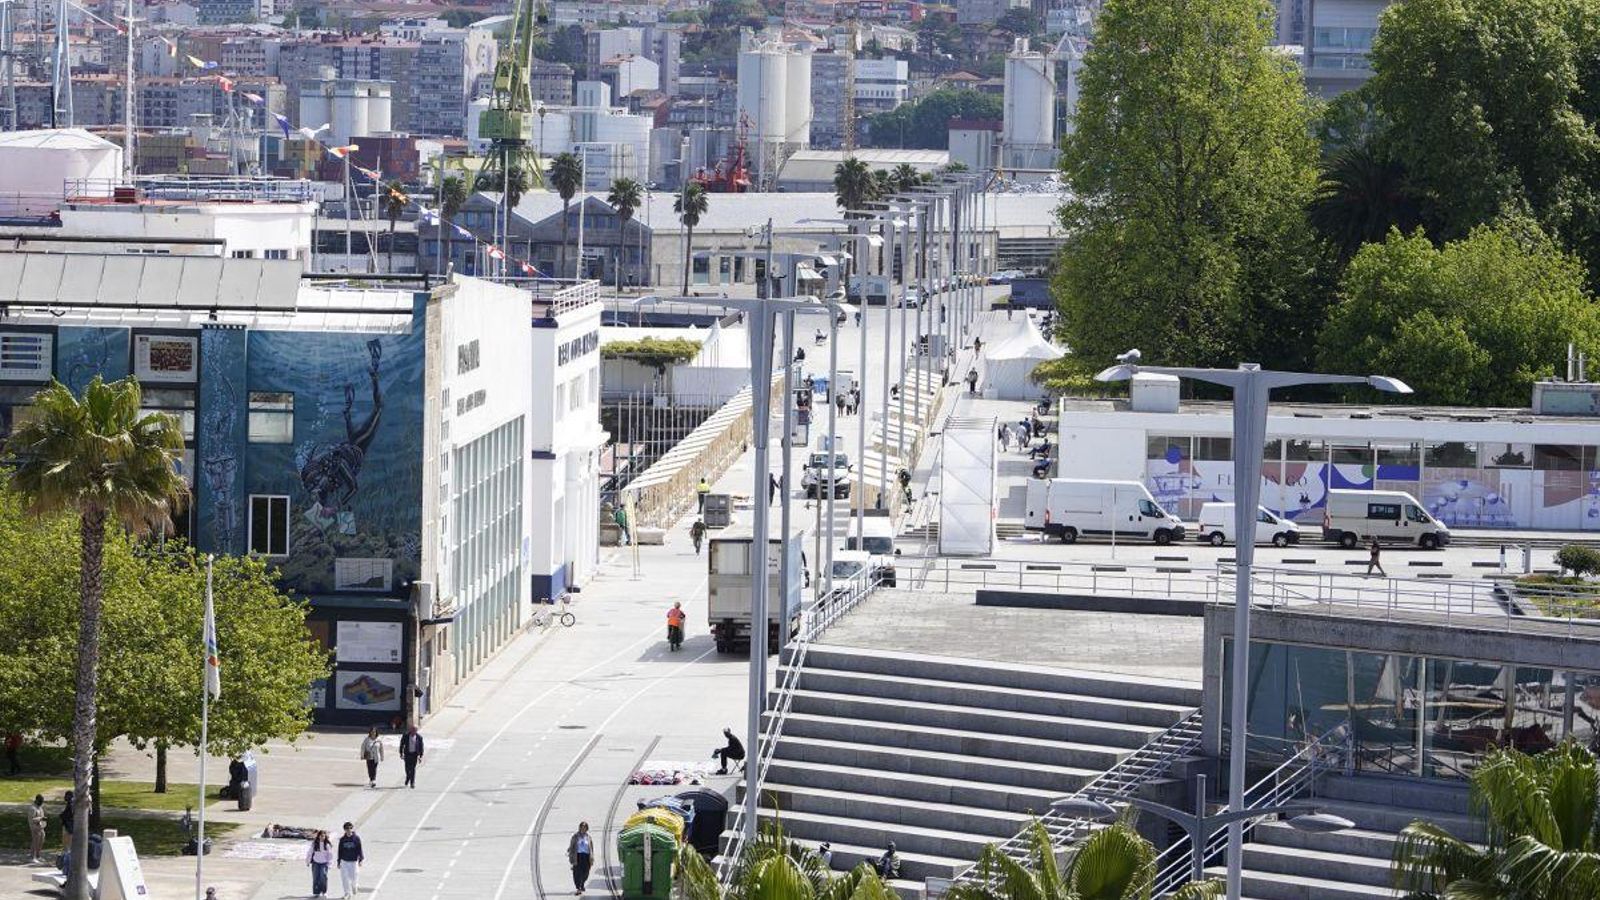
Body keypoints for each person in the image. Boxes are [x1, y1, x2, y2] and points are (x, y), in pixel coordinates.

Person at [336, 822, 363, 899]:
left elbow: (359, 849)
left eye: (350, 828)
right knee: (344, 878)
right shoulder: (342, 839)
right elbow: (340, 850)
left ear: (352, 828)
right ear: (344, 830)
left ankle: (355, 886)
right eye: (347, 828)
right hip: (344, 861)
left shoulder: (356, 838)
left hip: (353, 861)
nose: (349, 830)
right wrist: (338, 861)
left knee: (354, 877)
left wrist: (360, 859)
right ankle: (347, 893)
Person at [567, 822, 594, 895]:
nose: (583, 829)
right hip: (577, 856)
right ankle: (578, 887)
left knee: (586, 872)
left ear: (587, 829)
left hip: (586, 857)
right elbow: (571, 846)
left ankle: (582, 883)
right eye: (582, 827)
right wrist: (570, 855)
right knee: (577, 873)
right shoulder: (575, 836)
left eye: (584, 828)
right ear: (579, 828)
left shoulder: (588, 837)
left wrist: (592, 858)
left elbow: (591, 848)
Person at [306, 830, 333, 898]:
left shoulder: (327, 845)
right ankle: (316, 892)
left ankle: (324, 891)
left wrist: (329, 864)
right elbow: (310, 852)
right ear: (318, 836)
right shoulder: (315, 844)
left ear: (325, 837)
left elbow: (330, 855)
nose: (322, 837)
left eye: (323, 836)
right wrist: (308, 861)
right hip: (316, 863)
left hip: (324, 863)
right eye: (320, 836)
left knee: (323, 877)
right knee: (316, 877)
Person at [27, 794, 46, 864]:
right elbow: (32, 819)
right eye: (40, 801)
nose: (41, 802)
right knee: (35, 841)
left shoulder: (40, 808)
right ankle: (32, 856)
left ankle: (38, 855)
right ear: (37, 800)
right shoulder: (33, 808)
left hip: (41, 827)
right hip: (34, 827)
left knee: (42, 840)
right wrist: (40, 818)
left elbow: (42, 816)